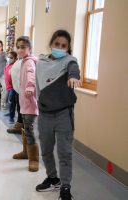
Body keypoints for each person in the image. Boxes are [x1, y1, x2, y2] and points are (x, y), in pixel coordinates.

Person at [35, 30, 81, 200]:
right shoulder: (41, 62)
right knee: (46, 151)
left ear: (68, 48)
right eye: (57, 44)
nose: (60, 48)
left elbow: (73, 68)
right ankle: (53, 178)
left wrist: (74, 76)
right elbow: (38, 84)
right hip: (45, 115)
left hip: (63, 115)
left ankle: (65, 187)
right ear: (51, 44)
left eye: (64, 46)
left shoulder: (69, 60)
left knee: (64, 153)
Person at [12, 36, 39, 172]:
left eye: (23, 47)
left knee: (29, 130)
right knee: (25, 129)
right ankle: (25, 152)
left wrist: (29, 87)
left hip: (30, 102)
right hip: (24, 102)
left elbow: (31, 75)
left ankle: (34, 159)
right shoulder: (23, 61)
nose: (20, 50)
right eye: (18, 47)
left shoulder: (29, 62)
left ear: (30, 48)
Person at [4, 51, 18, 123]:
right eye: (8, 57)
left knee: (12, 102)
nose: (9, 59)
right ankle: (10, 113)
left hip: (13, 87)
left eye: (11, 58)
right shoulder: (8, 65)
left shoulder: (15, 66)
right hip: (8, 87)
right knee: (9, 101)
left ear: (15, 59)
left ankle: (11, 118)